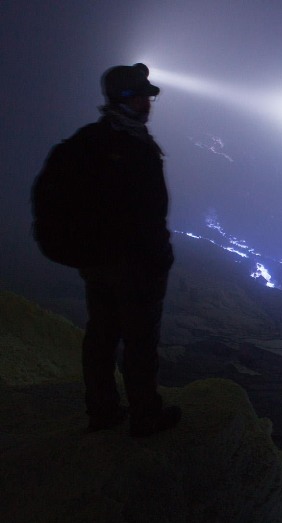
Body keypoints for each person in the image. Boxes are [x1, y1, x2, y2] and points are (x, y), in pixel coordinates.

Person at [66, 63, 180, 436]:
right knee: (140, 343)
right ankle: (145, 417)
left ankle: (102, 411)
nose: (150, 102)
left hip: (98, 264)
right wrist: (159, 256)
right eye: (144, 96)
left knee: (101, 336)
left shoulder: (90, 141)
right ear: (128, 100)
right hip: (134, 266)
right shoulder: (133, 147)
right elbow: (146, 212)